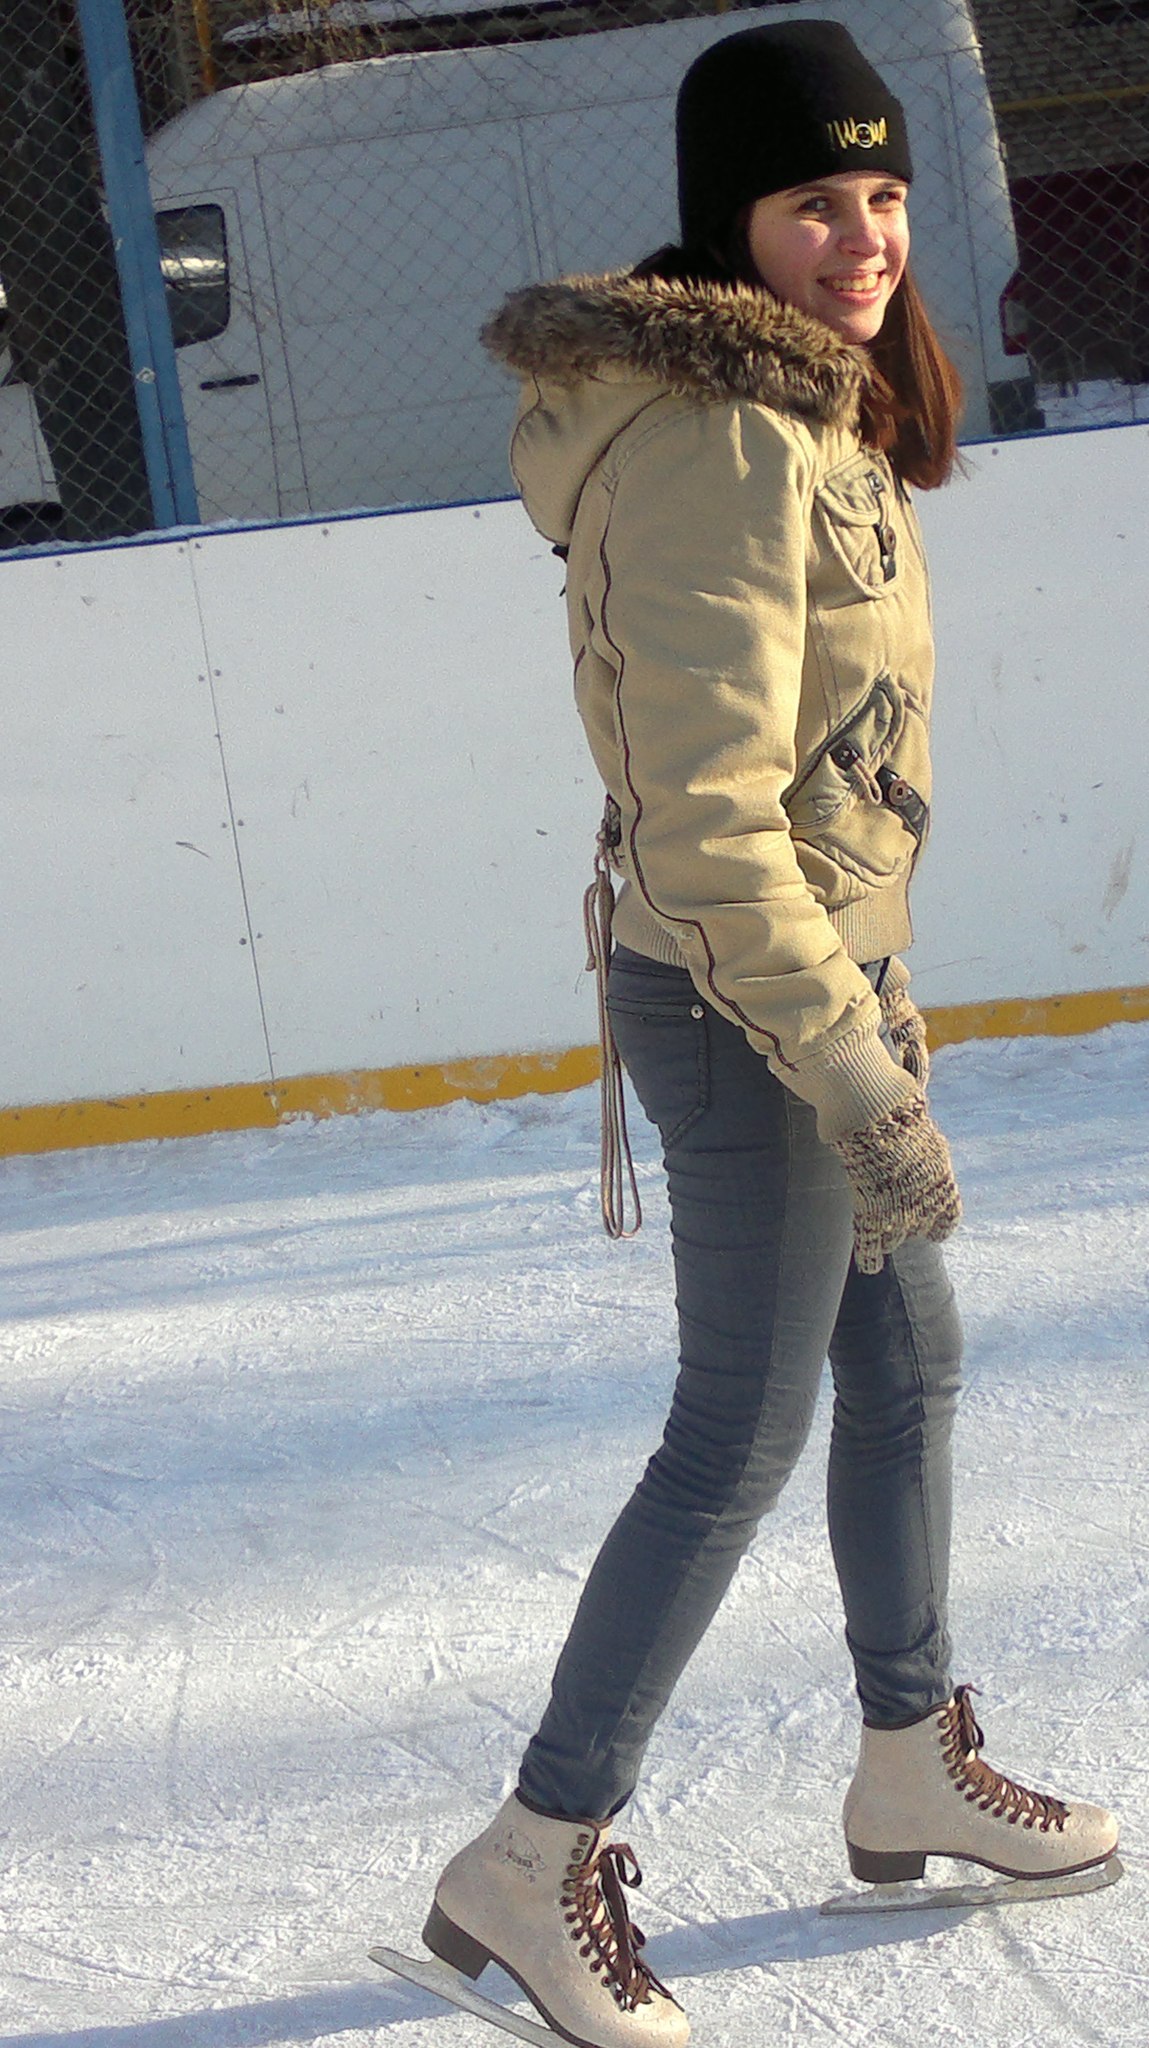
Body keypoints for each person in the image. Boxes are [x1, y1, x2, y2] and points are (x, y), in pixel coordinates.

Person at [418, 25, 1119, 2048]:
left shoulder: (811, 413)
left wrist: (870, 997)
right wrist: (845, 1062)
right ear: (731, 220)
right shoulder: (721, 438)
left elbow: (822, 776)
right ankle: (536, 1849)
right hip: (746, 1002)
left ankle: (906, 1758)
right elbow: (708, 824)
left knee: (905, 1359)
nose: (864, 237)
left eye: (884, 196)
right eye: (817, 202)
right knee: (736, 1430)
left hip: (812, 977)